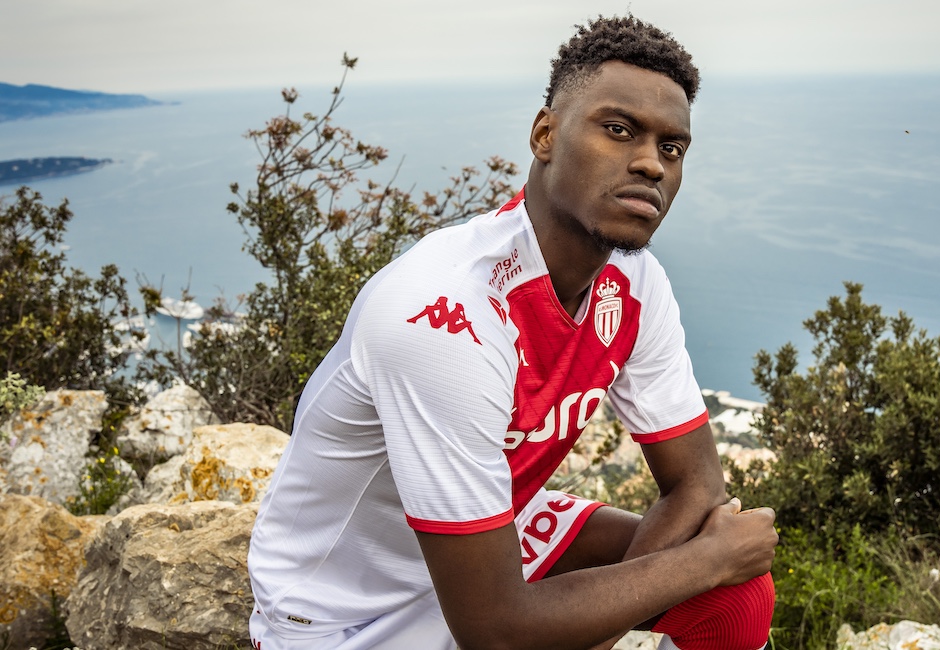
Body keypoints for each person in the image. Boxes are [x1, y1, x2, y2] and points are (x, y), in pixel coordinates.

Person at [248, 15, 779, 650]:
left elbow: (698, 486)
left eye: (672, 148)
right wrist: (702, 563)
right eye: (618, 130)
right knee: (713, 566)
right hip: (344, 617)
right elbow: (495, 631)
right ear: (545, 134)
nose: (651, 164)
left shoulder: (634, 285)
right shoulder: (446, 314)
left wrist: (626, 605)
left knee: (736, 593)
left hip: (486, 551)